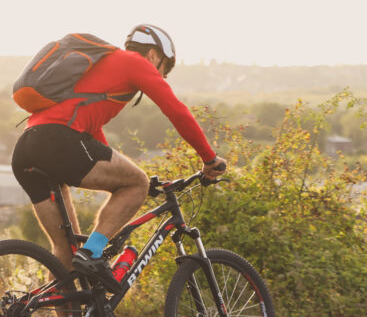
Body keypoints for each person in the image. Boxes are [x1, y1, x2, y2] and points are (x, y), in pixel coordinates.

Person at [12, 24, 226, 297]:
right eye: (165, 69)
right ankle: (93, 252)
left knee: (64, 251)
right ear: (153, 55)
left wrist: (116, 172)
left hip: (28, 147)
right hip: (59, 140)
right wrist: (208, 157)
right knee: (136, 181)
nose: (163, 76)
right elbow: (177, 111)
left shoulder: (107, 66)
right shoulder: (135, 63)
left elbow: (94, 136)